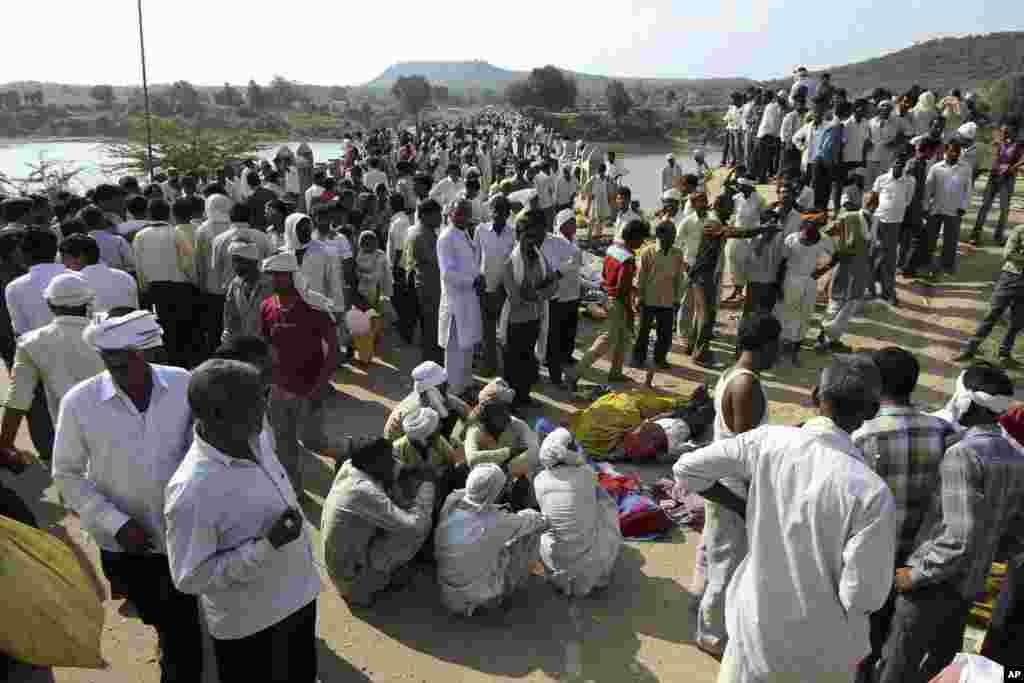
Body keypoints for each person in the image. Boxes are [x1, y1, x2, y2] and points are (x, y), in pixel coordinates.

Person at [675, 354, 896, 683]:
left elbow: (687, 469)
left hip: (753, 632)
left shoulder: (768, 442)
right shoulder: (872, 493)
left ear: (813, 394)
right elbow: (863, 595)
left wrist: (743, 505)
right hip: (820, 654)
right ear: (871, 412)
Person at [52, 310, 203, 682]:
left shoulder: (184, 385)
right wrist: (115, 523)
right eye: (112, 362)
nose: (121, 368)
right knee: (156, 610)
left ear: (148, 352)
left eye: (129, 359)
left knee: (182, 624)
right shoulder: (79, 403)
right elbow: (67, 474)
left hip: (184, 534)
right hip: (127, 545)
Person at [164, 360, 319, 683]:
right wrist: (266, 546)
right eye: (257, 400)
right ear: (219, 417)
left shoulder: (257, 436)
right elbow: (190, 577)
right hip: (252, 625)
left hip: (300, 597)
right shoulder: (192, 491)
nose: (267, 403)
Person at [876, 365, 1024, 683]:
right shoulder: (1015, 458)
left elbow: (959, 537)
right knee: (938, 671)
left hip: (931, 588)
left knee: (896, 670)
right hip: (969, 589)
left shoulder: (963, 454)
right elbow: (1013, 534)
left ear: (967, 401)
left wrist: (913, 575)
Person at [850, 347, 956, 683]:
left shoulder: (861, 435)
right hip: (919, 562)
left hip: (873, 555)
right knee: (896, 642)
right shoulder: (941, 431)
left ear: (875, 385)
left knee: (863, 636)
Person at [693, 313, 781, 658]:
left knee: (716, 552)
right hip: (735, 488)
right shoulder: (746, 385)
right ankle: (712, 636)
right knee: (728, 566)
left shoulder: (732, 374)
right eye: (777, 346)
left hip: (726, 480)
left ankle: (703, 606)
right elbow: (746, 450)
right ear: (766, 345)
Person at [322, 436, 435, 608]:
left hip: (343, 560)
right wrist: (427, 488)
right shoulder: (363, 492)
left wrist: (407, 469)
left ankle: (373, 575)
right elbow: (414, 527)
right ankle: (367, 586)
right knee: (416, 530)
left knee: (396, 498)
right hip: (350, 579)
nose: (394, 463)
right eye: (389, 459)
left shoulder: (352, 466)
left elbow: (394, 467)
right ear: (374, 464)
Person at [0, 274, 104, 461]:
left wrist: (5, 444)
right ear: (88, 302)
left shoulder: (31, 342)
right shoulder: (110, 335)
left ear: (50, 304)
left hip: (68, 442)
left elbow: (18, 398)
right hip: (119, 436)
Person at [260, 252, 338, 497]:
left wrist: (320, 386)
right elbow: (266, 346)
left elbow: (334, 351)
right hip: (278, 390)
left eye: (281, 276)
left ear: (293, 277)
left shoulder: (315, 307)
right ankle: (294, 493)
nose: (275, 281)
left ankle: (349, 451)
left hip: (309, 388)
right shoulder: (267, 307)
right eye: (272, 276)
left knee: (313, 441)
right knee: (284, 446)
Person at [434, 463, 548, 616]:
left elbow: (475, 498)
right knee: (528, 534)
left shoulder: (452, 501)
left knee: (492, 544)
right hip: (476, 596)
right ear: (494, 491)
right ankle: (499, 596)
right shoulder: (497, 521)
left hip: (446, 590)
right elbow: (541, 523)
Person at [534, 428, 622, 597]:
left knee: (545, 523)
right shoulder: (586, 474)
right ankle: (595, 566)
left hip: (555, 560)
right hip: (592, 563)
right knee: (607, 505)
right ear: (571, 450)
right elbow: (599, 499)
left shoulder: (539, 480)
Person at [566, 220, 650, 390]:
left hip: (608, 297)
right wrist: (630, 307)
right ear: (633, 237)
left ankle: (616, 372)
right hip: (618, 302)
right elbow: (622, 289)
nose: (642, 243)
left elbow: (605, 276)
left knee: (623, 337)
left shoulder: (612, 249)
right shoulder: (628, 259)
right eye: (641, 239)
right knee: (606, 339)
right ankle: (575, 373)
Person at [500, 211, 559, 407]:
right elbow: (515, 298)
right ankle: (511, 403)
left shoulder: (540, 258)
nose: (531, 241)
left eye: (534, 237)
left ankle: (524, 397)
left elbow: (553, 285)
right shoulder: (511, 262)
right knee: (513, 365)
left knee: (528, 362)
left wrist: (536, 294)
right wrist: (538, 293)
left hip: (534, 319)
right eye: (527, 236)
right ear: (519, 236)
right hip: (515, 322)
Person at [133, 198, 198, 367]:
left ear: (148, 214)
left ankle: (168, 363)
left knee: (163, 329)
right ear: (168, 213)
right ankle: (182, 363)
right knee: (182, 328)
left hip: (155, 290)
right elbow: (188, 262)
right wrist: (194, 282)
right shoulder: (176, 233)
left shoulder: (140, 236)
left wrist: (144, 288)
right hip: (179, 288)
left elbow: (138, 266)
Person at [953, 220, 1024, 364]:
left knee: (1017, 321)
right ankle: (969, 349)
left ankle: (1004, 353)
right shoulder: (1020, 230)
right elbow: (1008, 253)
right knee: (992, 313)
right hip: (1011, 277)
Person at [816, 189, 875, 352]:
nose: (871, 205)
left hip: (861, 269)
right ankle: (823, 338)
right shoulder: (849, 216)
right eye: (869, 201)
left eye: (874, 202)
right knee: (836, 302)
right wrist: (835, 251)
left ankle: (832, 339)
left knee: (850, 306)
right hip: (845, 266)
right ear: (864, 201)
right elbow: (825, 233)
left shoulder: (875, 220)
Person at [438, 199, 483, 398]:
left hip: (469, 300)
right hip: (456, 302)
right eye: (460, 213)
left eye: (467, 213)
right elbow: (447, 273)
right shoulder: (446, 238)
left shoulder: (464, 233)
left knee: (468, 346)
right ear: (450, 214)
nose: (464, 217)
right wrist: (471, 282)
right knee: (455, 349)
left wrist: (478, 277)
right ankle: (454, 392)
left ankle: (466, 385)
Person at [778, 214, 835, 366]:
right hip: (790, 279)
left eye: (815, 227)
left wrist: (820, 272)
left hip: (810, 282)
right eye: (807, 227)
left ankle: (795, 351)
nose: (809, 231)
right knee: (788, 315)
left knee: (805, 315)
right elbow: (782, 263)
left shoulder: (824, 240)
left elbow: (835, 256)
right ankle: (783, 350)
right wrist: (778, 285)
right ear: (803, 226)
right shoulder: (791, 239)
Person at [632, 220, 685, 369]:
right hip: (648, 299)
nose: (674, 238)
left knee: (665, 334)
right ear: (660, 236)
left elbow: (679, 278)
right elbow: (641, 277)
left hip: (668, 299)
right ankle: (638, 358)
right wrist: (639, 297)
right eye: (671, 235)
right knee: (643, 332)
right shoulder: (647, 252)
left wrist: (677, 298)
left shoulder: (677, 254)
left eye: (674, 235)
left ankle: (660, 358)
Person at [474, 195, 516, 376]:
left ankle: (508, 368)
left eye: (502, 211)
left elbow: (514, 263)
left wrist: (507, 287)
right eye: (495, 210)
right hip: (485, 287)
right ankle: (489, 365)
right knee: (487, 331)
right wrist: (477, 280)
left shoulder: (513, 233)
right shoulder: (481, 230)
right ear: (490, 211)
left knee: (506, 330)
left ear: (508, 214)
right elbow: (475, 259)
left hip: (505, 289)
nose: (498, 214)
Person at [541, 208, 583, 387]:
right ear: (562, 225)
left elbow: (577, 263)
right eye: (570, 223)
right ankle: (553, 361)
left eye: (574, 222)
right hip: (558, 293)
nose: (573, 226)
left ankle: (566, 355)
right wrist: (564, 269)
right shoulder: (554, 242)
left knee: (570, 326)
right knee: (555, 330)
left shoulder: (574, 241)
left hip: (573, 291)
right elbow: (557, 267)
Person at [463, 383, 540, 479]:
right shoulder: (475, 429)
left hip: (509, 477)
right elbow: (472, 458)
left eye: (506, 408)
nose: (506, 414)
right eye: (499, 410)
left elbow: (534, 451)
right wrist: (509, 452)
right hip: (483, 481)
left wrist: (507, 467)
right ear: (486, 412)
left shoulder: (518, 425)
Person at [383, 361, 471, 442]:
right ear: (433, 390)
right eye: (444, 384)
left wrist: (469, 432)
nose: (448, 385)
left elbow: (465, 410)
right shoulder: (413, 413)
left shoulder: (430, 396)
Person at [920, 141, 972, 276]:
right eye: (951, 151)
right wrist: (925, 207)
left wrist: (963, 206)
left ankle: (947, 265)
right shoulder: (936, 168)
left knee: (951, 240)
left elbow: (968, 190)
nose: (954, 153)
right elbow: (928, 189)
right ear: (946, 151)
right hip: (936, 209)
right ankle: (925, 262)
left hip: (954, 210)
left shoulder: (966, 169)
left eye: (957, 151)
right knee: (930, 238)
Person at [4, 228, 65, 338]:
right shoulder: (79, 276)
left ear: (24, 254)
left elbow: (21, 331)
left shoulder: (14, 287)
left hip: (41, 351)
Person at [871, 153, 916, 305]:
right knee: (874, 254)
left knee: (889, 258)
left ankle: (887, 292)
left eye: (901, 164)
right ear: (891, 163)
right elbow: (874, 199)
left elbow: (908, 201)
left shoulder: (909, 181)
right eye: (896, 163)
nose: (898, 166)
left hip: (894, 223)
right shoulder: (881, 179)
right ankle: (870, 289)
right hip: (878, 220)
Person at [405, 199, 445, 364]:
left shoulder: (427, 232)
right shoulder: (420, 236)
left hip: (432, 287)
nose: (441, 219)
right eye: (438, 215)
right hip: (429, 289)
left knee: (433, 328)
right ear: (425, 216)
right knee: (431, 330)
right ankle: (431, 365)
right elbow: (436, 260)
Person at [193, 193, 234, 356]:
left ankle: (216, 355)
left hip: (211, 287)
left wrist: (201, 284)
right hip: (233, 284)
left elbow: (199, 260)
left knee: (215, 325)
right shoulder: (234, 226)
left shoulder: (203, 229)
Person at [970, 124, 1022, 246]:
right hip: (994, 178)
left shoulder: (1018, 145)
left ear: (1011, 131)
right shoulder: (997, 143)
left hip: (1008, 179)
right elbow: (990, 157)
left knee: (1004, 209)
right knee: (985, 206)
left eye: (1006, 131)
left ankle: (998, 236)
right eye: (1002, 131)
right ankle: (975, 234)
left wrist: (1012, 167)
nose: (1003, 133)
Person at [60, 233, 138, 313]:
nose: (64, 264)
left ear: (78, 259)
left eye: (65, 258)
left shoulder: (72, 283)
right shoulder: (125, 277)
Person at [222, 240, 272, 343]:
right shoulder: (235, 284)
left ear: (253, 262)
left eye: (238, 261)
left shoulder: (270, 285)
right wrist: (228, 333)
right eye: (233, 261)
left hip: (265, 345)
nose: (234, 266)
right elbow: (230, 315)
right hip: (243, 345)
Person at [723, 177, 763, 303]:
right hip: (737, 235)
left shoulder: (759, 200)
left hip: (752, 237)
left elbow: (763, 219)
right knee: (734, 261)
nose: (738, 187)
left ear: (749, 187)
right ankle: (737, 291)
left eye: (740, 185)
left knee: (748, 264)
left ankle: (748, 293)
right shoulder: (737, 198)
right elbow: (734, 217)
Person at [582, 163, 612, 240]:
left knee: (601, 219)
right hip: (595, 201)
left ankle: (598, 235)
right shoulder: (594, 178)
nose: (601, 172)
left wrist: (609, 199)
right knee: (592, 218)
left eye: (603, 171)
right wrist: (588, 195)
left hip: (603, 201)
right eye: (600, 170)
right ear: (598, 171)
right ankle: (589, 235)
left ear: (604, 171)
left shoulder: (606, 178)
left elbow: (609, 189)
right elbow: (586, 186)